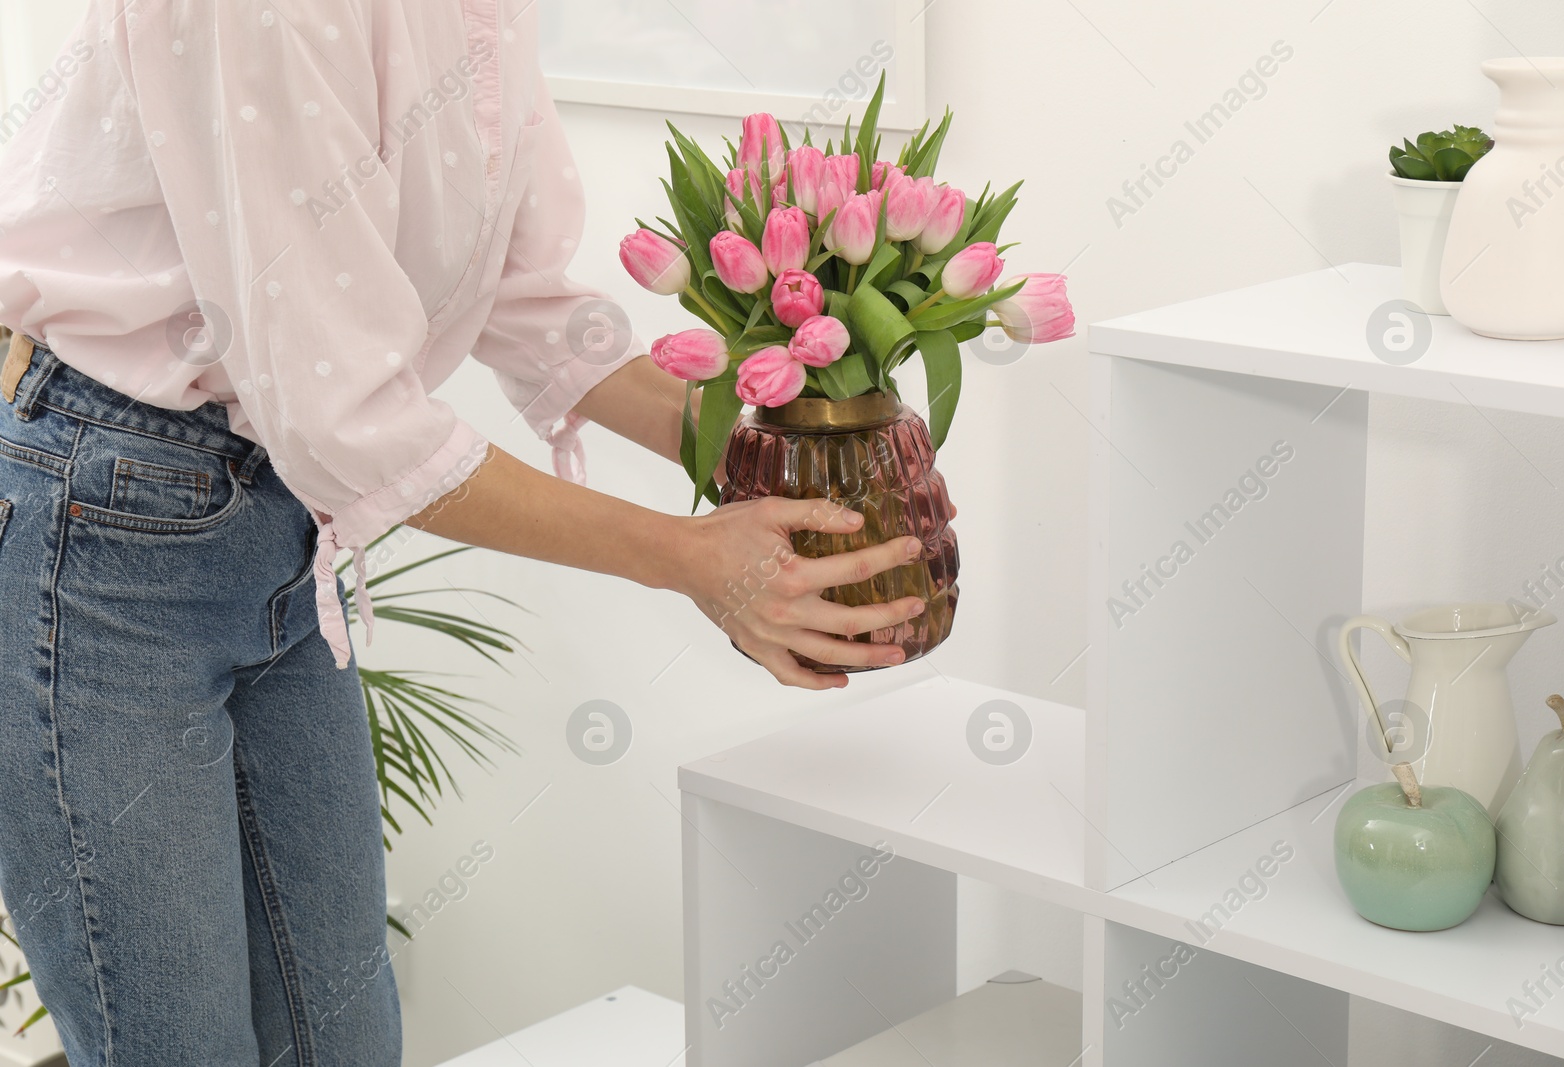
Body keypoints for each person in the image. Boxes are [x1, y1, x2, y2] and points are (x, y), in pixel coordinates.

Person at [0, 1, 925, 1062]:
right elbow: (348, 420)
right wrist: (692, 561)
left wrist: (770, 458)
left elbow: (525, 302)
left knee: (342, 1035)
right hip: (100, 525)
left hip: (281, 526)